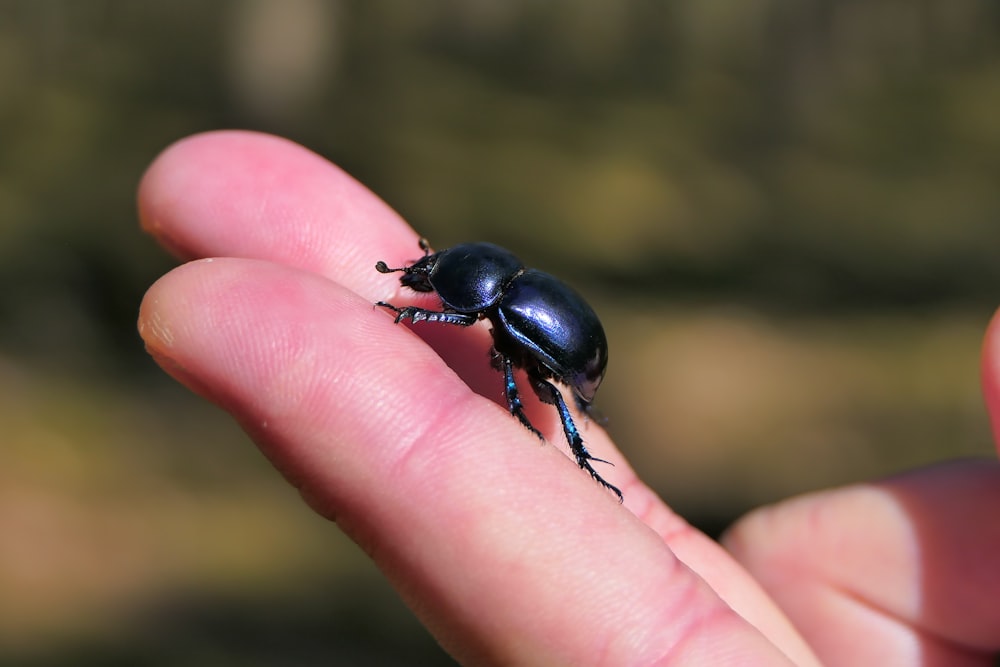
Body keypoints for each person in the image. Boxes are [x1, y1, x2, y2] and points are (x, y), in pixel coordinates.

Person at [137, 130, 1000, 666]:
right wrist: (410, 295)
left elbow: (480, 326)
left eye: (431, 274)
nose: (421, 280)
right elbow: (461, 303)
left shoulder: (498, 301)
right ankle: (576, 448)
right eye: (423, 274)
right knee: (518, 376)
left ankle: (581, 453)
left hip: (565, 352)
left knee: (527, 383)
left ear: (466, 280)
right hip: (556, 335)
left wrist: (407, 309)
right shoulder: (490, 290)